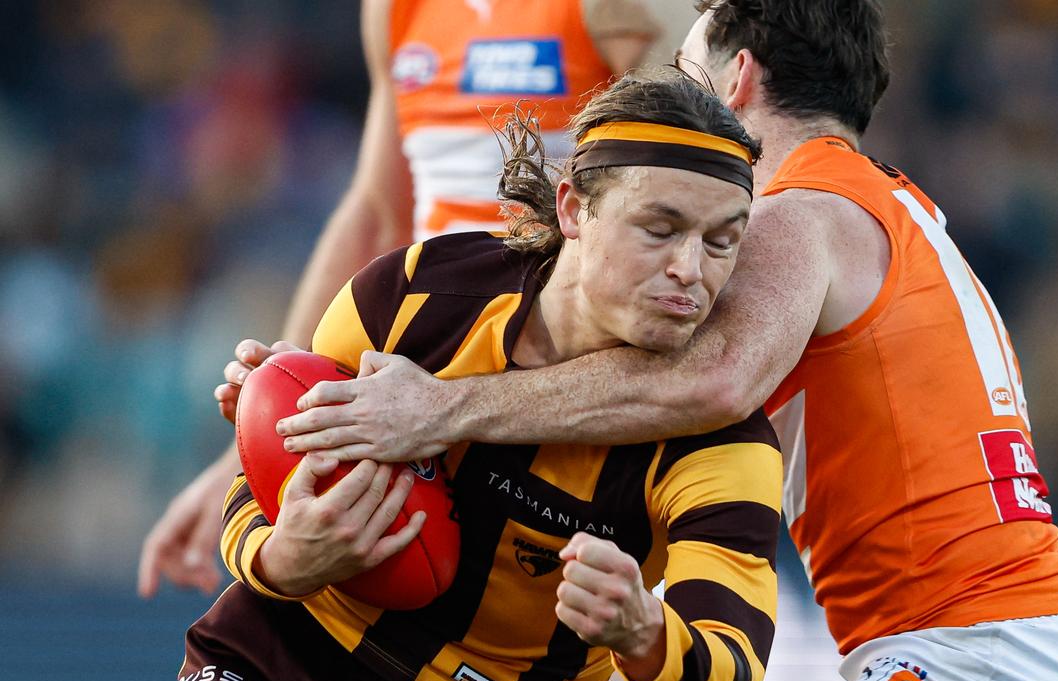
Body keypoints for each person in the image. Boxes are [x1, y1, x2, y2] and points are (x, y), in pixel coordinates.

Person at [265, 2, 1058, 681]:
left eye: (686, 69)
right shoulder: (887, 205)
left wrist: (437, 407)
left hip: (981, 652)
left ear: (740, 77)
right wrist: (313, 382)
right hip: (1011, 641)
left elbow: (710, 379)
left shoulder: (800, 212)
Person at [173, 68, 781, 681]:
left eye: (722, 241)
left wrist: (647, 635)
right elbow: (266, 483)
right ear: (575, 209)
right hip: (288, 655)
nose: (691, 270)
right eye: (660, 229)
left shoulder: (725, 444)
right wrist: (281, 558)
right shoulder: (415, 293)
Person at [138, 0, 680, 599]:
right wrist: (251, 439)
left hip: (551, 372)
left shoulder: (616, 8)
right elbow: (377, 215)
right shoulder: (395, 8)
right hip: (424, 362)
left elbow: (684, 188)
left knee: (563, 637)